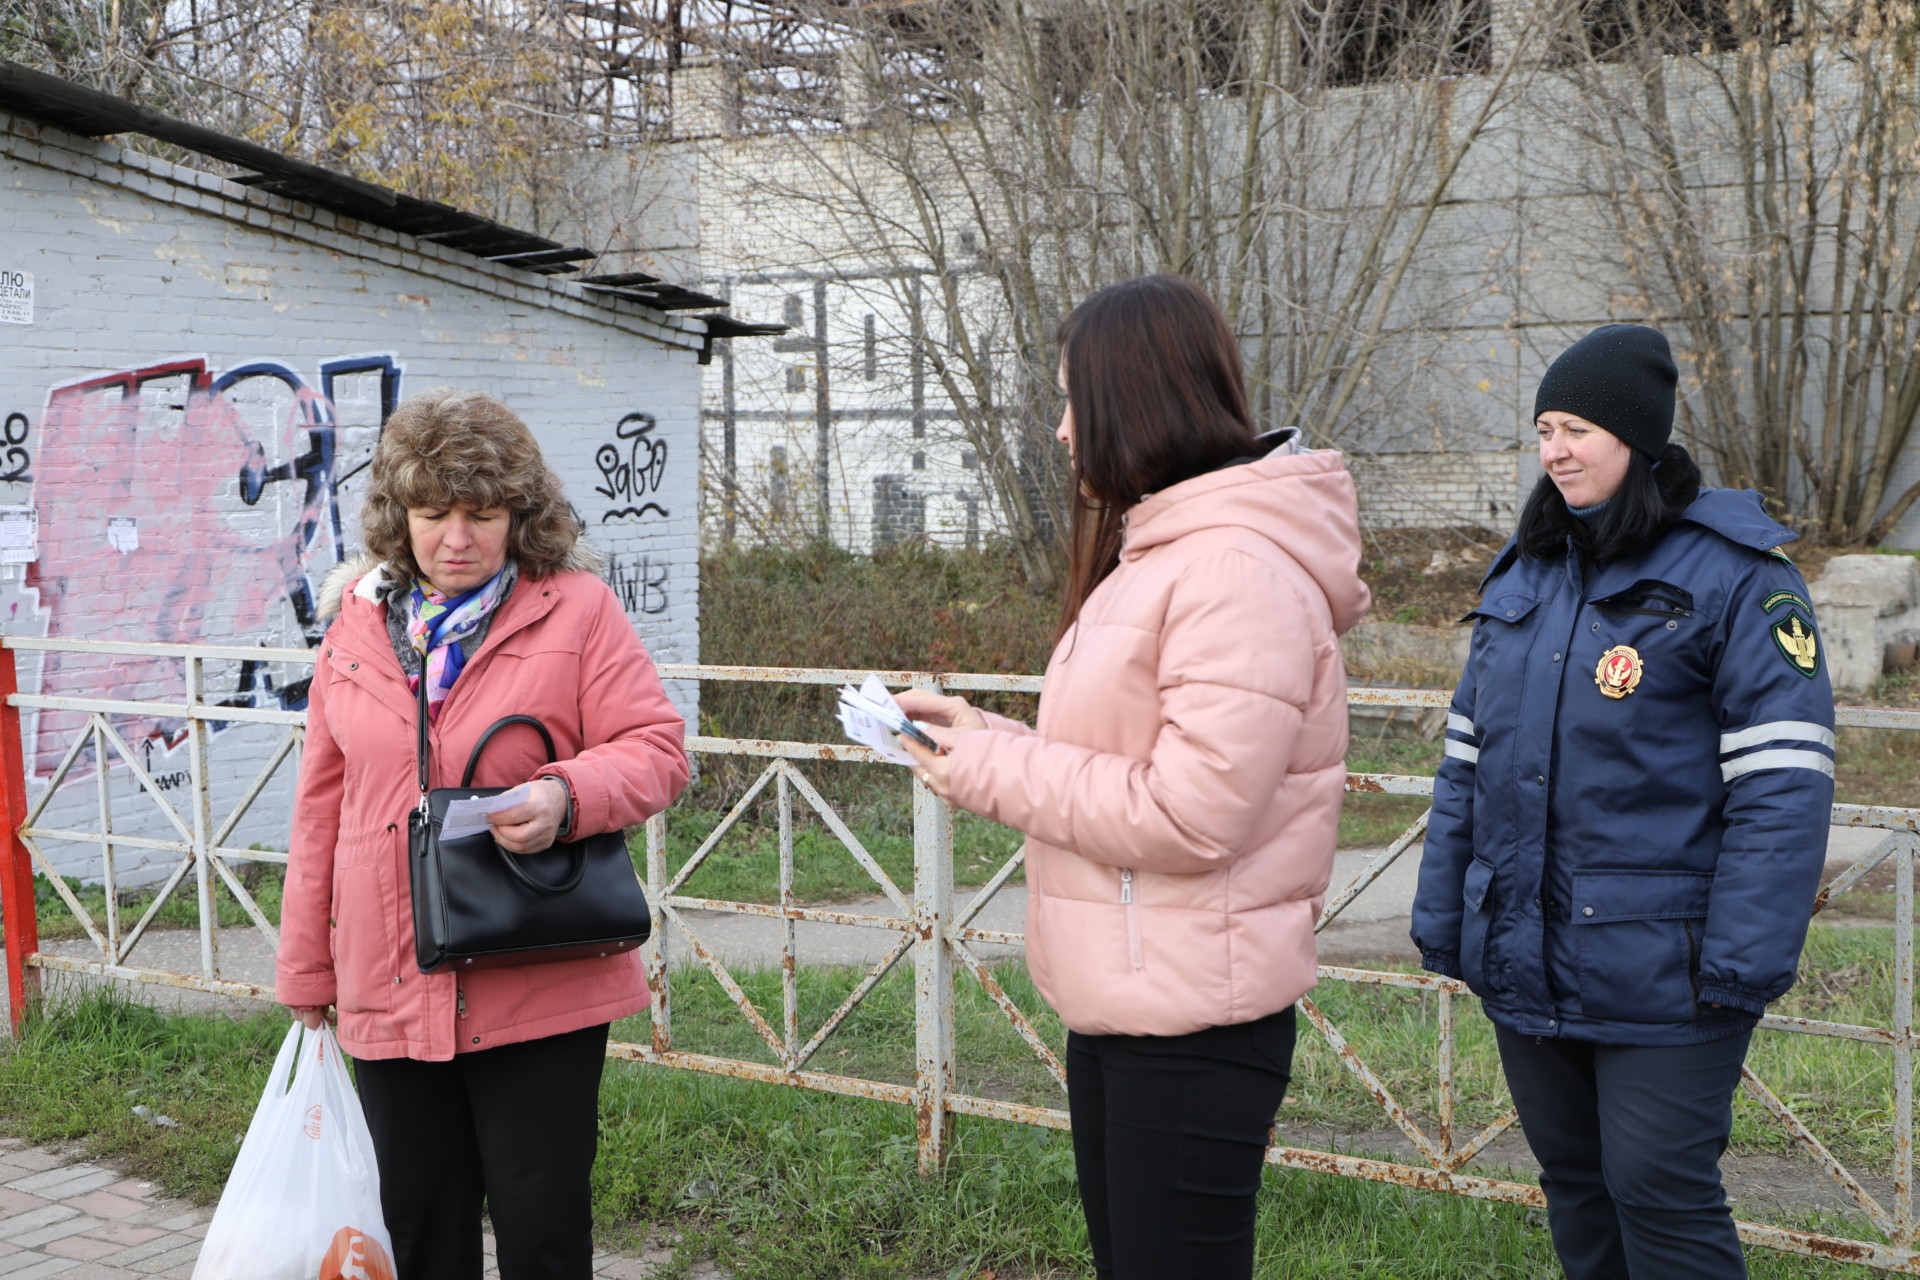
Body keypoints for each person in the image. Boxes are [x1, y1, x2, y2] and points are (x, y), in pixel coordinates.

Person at [895, 274, 1369, 1280]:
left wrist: (989, 767)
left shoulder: (1233, 571)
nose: (1065, 432)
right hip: (1131, 1001)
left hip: (1193, 1020)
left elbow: (1191, 812)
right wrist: (980, 731)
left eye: (1076, 401)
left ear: (1137, 401)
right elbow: (1123, 753)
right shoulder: (1161, 555)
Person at [1409, 325, 1835, 1280]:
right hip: (1526, 951)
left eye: (1579, 429)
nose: (1556, 450)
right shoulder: (1526, 571)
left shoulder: (1736, 577)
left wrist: (1742, 960)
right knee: (1577, 1185)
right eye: (1545, 428)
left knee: (1659, 1190)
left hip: (1670, 967)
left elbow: (1784, 783)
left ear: (1637, 439)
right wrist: (1445, 918)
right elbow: (1466, 765)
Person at [276, 389, 690, 1280]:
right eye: (433, 513)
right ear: (399, 516)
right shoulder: (354, 630)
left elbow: (658, 750)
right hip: (389, 981)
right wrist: (306, 965)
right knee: (422, 1236)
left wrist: (565, 796)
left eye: (482, 514)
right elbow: (322, 809)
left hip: (536, 976)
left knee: (543, 1239)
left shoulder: (575, 611)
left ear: (520, 514)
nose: (456, 538)